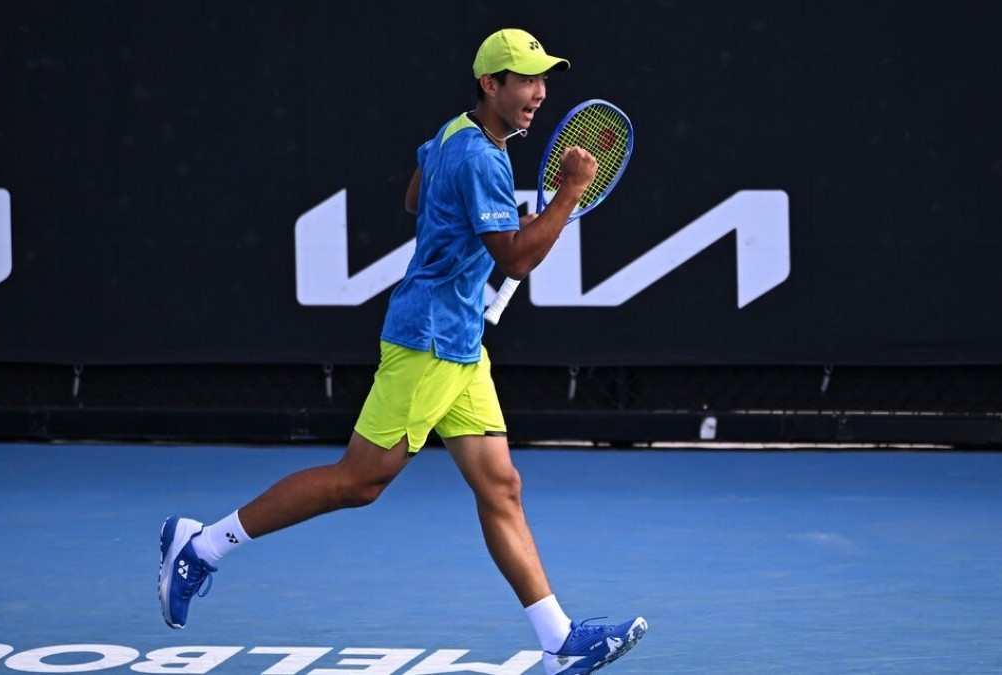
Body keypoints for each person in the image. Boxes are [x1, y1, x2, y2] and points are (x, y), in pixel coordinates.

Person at [158, 28, 647, 675]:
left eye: (542, 80)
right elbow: (517, 258)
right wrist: (569, 193)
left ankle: (558, 641)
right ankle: (202, 546)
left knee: (501, 486)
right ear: (490, 84)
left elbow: (416, 196)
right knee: (359, 482)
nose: (538, 93)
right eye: (525, 80)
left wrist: (483, 230)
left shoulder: (453, 135)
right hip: (429, 345)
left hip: (460, 345)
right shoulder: (480, 158)